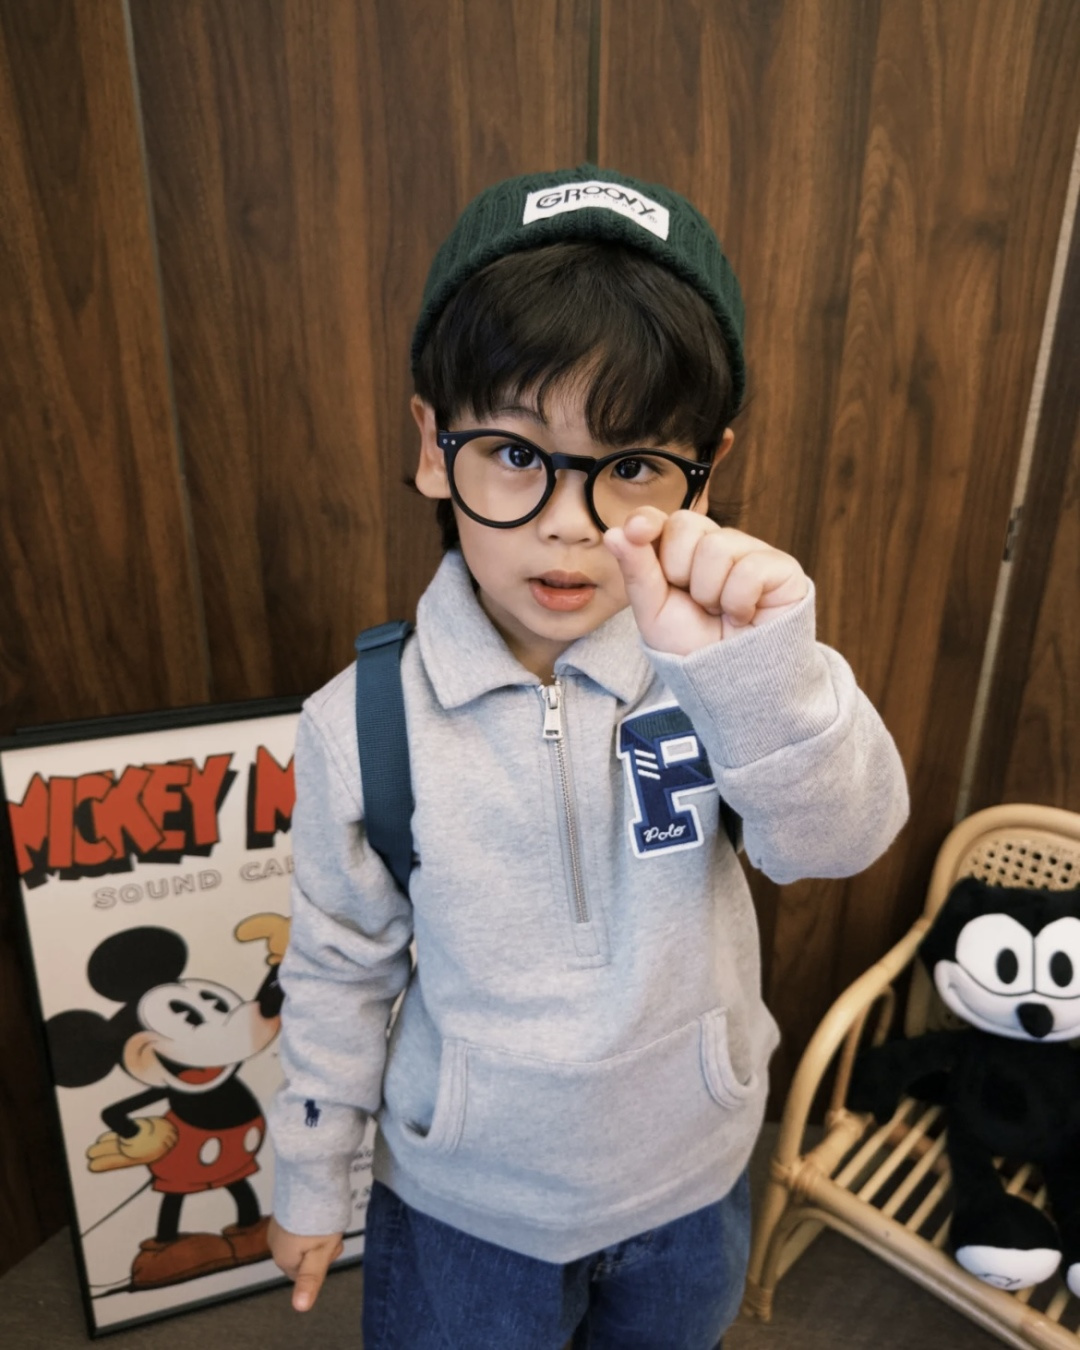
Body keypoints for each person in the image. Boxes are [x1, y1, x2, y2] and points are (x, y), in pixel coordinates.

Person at [267, 165, 909, 1349]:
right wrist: (310, 1170)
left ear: (704, 469)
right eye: (515, 453)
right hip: (466, 1210)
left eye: (630, 465)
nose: (570, 522)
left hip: (691, 1183)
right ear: (433, 444)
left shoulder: (724, 672)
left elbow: (837, 842)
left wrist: (761, 678)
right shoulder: (360, 721)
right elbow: (339, 968)